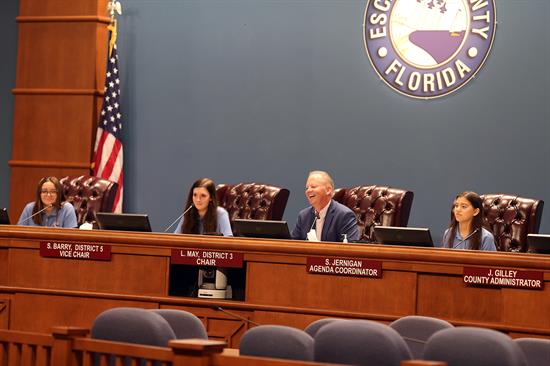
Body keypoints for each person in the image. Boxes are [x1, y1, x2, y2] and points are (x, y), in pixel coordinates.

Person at [291, 170, 359, 242]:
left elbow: (350, 248)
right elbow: (292, 244)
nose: (308, 191)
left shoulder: (344, 215)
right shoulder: (304, 216)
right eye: (307, 188)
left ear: (328, 190)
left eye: (313, 187)